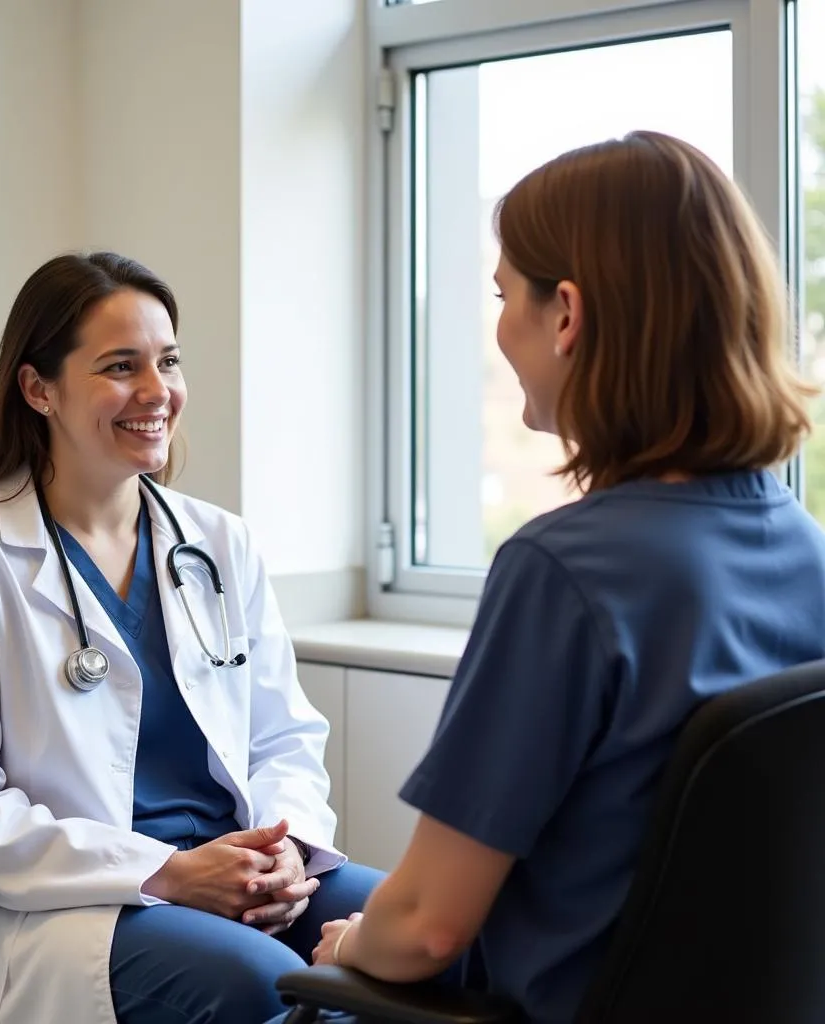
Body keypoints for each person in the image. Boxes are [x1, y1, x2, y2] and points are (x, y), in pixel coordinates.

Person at [303, 131, 825, 1024]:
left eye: (505, 296)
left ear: (568, 314)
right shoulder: (804, 548)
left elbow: (427, 927)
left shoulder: (566, 573)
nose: (502, 329)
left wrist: (350, 946)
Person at [0, 252, 383, 1024]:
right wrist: (167, 872)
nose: (156, 392)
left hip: (234, 865)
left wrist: (287, 846)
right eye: (120, 366)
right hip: (64, 908)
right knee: (263, 983)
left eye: (168, 361)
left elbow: (284, 737)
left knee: (427, 937)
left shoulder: (218, 541)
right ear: (38, 388)